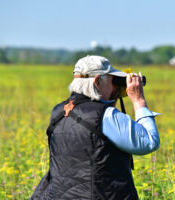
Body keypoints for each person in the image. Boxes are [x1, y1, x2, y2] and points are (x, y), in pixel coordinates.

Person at [31, 55, 160, 200]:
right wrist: (138, 100)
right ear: (97, 81)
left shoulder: (59, 112)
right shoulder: (105, 115)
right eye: (113, 80)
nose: (116, 87)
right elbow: (149, 142)